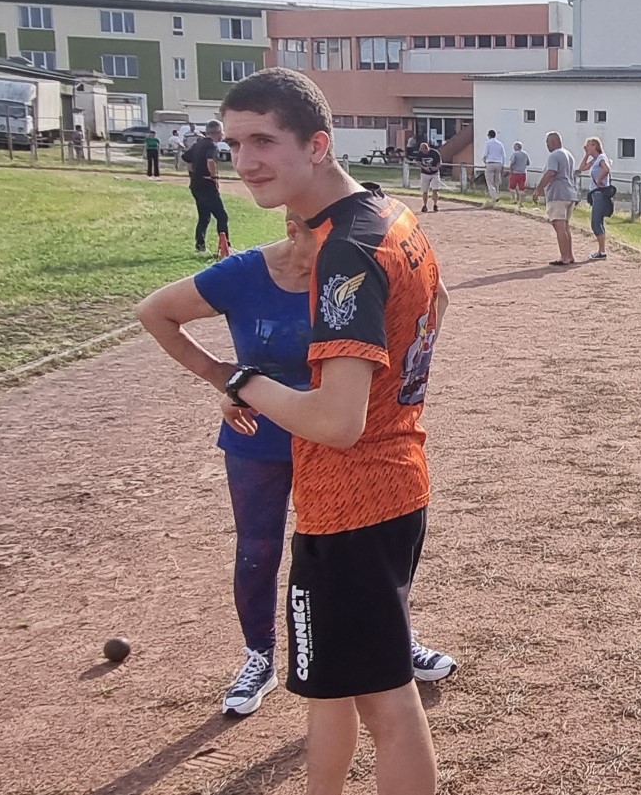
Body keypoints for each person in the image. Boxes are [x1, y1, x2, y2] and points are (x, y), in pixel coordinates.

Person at [220, 67, 456, 795]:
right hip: (388, 485)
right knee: (329, 683)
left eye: (265, 139)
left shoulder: (345, 250)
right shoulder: (389, 216)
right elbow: (439, 302)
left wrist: (247, 381)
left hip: (353, 504)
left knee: (387, 698)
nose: (246, 159)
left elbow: (337, 421)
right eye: (233, 142)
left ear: (318, 144)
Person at [134, 209, 319, 716]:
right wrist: (224, 378)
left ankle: (389, 637)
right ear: (291, 228)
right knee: (258, 549)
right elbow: (154, 312)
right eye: (320, 243)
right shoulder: (243, 274)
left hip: (330, 436)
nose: (332, 257)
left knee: (354, 546)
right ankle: (259, 656)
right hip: (255, 434)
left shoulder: (351, 271)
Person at [184, 121, 233, 256]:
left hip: (196, 185)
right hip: (207, 185)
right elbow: (210, 160)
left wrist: (193, 173)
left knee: (204, 217)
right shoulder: (212, 145)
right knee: (222, 217)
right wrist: (214, 177)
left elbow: (186, 158)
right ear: (219, 132)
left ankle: (200, 246)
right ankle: (225, 247)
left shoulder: (198, 143)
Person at [532, 132, 578, 266]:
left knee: (559, 226)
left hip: (558, 194)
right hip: (569, 193)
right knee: (565, 227)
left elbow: (551, 173)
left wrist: (538, 189)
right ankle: (569, 255)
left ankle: (564, 257)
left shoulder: (554, 155)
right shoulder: (568, 155)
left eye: (547, 143)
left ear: (552, 142)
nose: (546, 146)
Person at [578, 136, 613, 261]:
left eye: (588, 145)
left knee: (596, 222)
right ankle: (601, 250)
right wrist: (586, 155)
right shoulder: (595, 160)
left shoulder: (601, 158)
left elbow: (607, 169)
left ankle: (602, 251)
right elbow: (582, 168)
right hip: (596, 193)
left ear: (595, 146)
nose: (586, 147)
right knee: (597, 222)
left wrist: (599, 180)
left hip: (600, 193)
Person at [416, 139, 443, 213]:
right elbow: (418, 162)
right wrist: (424, 167)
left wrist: (435, 168)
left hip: (434, 173)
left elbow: (439, 162)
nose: (422, 152)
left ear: (426, 148)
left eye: (423, 150)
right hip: (425, 173)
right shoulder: (420, 153)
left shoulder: (435, 153)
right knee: (425, 191)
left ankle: (435, 204)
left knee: (435, 189)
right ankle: (425, 205)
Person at [482, 130, 507, 205]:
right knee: (496, 182)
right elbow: (503, 155)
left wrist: (484, 161)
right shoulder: (500, 144)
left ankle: (494, 197)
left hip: (490, 163)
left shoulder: (488, 143)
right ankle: (496, 196)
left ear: (489, 135)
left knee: (490, 182)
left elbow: (485, 154)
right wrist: (503, 165)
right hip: (498, 163)